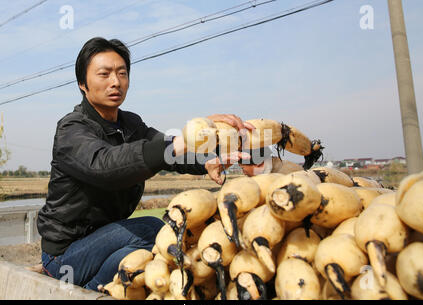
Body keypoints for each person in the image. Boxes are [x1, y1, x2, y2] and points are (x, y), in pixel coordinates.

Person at [36, 37, 261, 292]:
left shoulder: (131, 124)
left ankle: (92, 289)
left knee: (145, 252)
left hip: (110, 241)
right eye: (104, 74)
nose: (116, 82)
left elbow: (168, 150)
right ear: (82, 84)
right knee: (152, 229)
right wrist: (185, 139)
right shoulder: (71, 129)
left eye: (122, 73)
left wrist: (208, 160)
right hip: (66, 254)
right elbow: (106, 167)